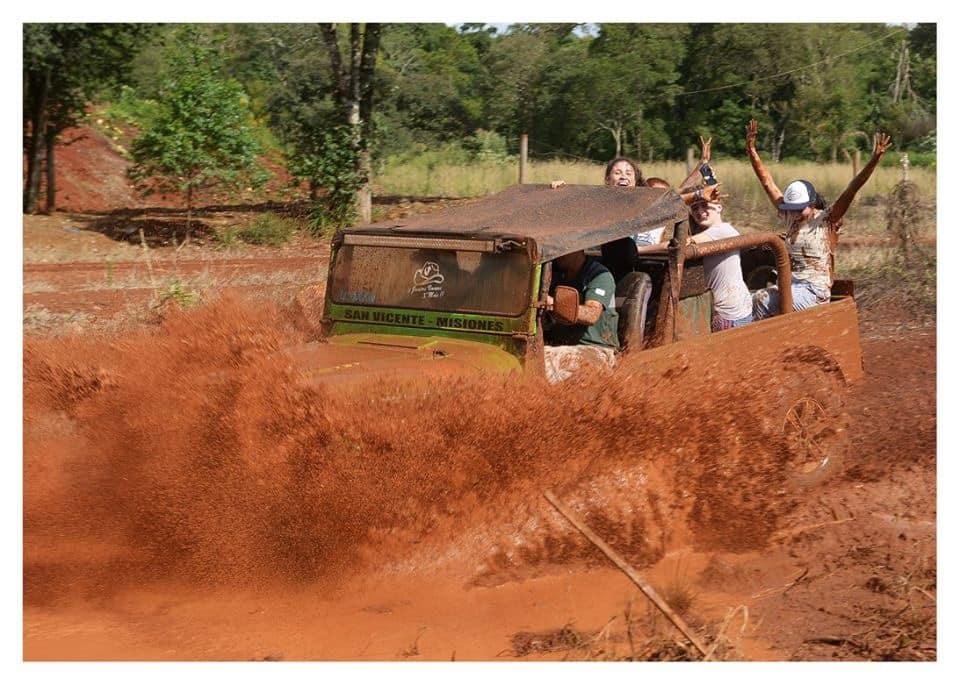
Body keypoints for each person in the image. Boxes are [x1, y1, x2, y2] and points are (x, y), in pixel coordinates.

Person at [745, 119, 892, 318]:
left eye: (800, 209)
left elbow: (852, 189)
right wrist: (752, 150)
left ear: (812, 203)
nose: (795, 214)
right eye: (792, 209)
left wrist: (874, 160)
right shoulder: (790, 217)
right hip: (790, 285)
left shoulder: (825, 220)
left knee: (762, 299)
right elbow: (767, 183)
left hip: (814, 291)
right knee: (751, 299)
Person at [542, 249, 619, 383]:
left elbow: (591, 314)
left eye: (562, 248)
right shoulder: (551, 273)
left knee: (545, 365)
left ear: (577, 248)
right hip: (558, 345)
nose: (556, 253)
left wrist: (553, 304)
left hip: (595, 350)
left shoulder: (599, 276)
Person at [686, 198, 753, 331]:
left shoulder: (721, 230)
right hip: (733, 308)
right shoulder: (708, 232)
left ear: (719, 207)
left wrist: (643, 249)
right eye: (694, 208)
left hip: (729, 314)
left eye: (705, 205)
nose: (700, 211)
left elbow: (683, 244)